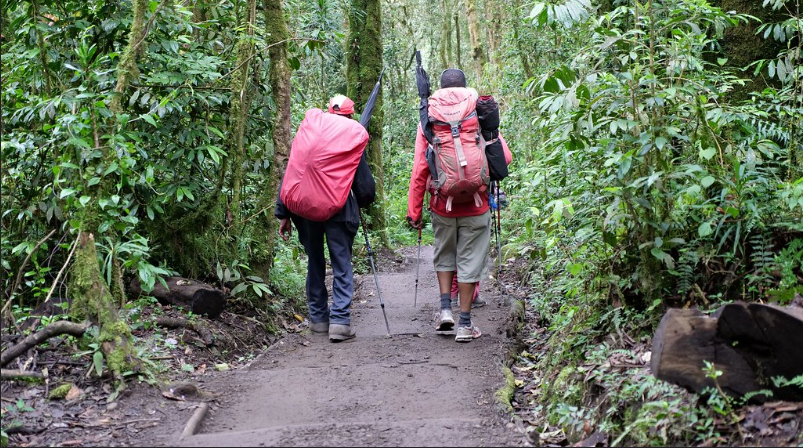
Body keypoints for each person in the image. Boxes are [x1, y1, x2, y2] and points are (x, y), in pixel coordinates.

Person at [406, 68, 511, 343]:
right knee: (469, 262)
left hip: (442, 204)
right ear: (466, 88)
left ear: (440, 89)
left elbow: (420, 169)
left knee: (444, 255)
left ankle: (444, 310)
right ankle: (465, 325)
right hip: (476, 205)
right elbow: (505, 158)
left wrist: (414, 210)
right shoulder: (479, 113)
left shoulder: (428, 118)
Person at [276, 95, 376, 342]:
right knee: (341, 263)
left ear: (329, 111)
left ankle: (319, 319)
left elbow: (293, 169)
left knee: (315, 262)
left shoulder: (310, 132)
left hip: (304, 209)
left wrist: (283, 213)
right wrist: (363, 202)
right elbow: (364, 188)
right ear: (351, 115)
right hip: (338, 210)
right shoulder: (352, 135)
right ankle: (340, 322)